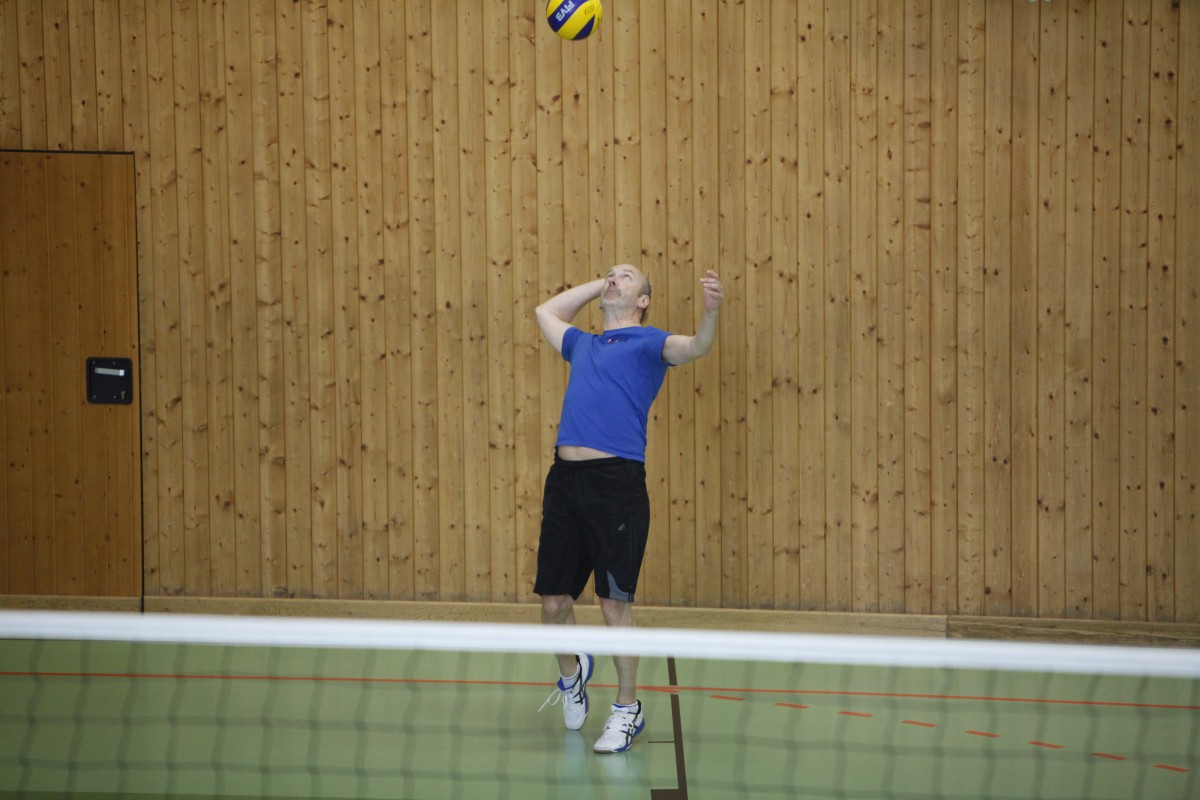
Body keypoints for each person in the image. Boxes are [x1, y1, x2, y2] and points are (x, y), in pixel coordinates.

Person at [533, 263, 724, 753]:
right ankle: (572, 675)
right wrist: (602, 284)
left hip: (616, 484)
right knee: (553, 602)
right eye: (611, 274)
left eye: (627, 276)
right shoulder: (584, 344)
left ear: (644, 300)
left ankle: (626, 708)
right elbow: (545, 311)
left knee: (613, 603)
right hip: (565, 481)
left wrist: (710, 313)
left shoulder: (649, 343)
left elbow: (696, 347)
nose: (615, 278)